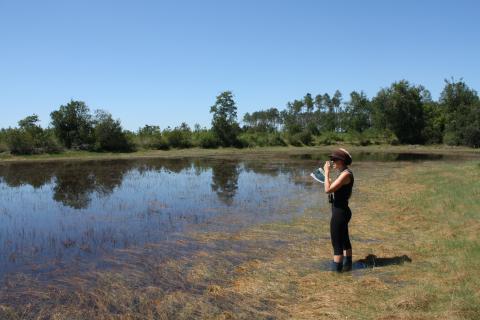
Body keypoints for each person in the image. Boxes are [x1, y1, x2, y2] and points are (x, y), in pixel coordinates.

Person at [323, 148, 354, 272]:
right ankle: (348, 266)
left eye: (334, 159)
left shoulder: (346, 174)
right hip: (342, 211)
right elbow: (335, 189)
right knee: (345, 239)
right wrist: (329, 181)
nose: (332, 162)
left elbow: (327, 190)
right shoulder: (344, 172)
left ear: (341, 161)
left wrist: (326, 173)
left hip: (340, 213)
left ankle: (337, 273)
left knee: (337, 243)